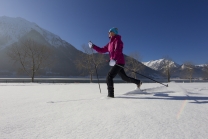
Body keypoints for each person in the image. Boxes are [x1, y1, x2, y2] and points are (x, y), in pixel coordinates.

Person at [88, 27, 142, 98]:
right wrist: (93, 46)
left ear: (114, 33)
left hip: (118, 61)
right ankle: (138, 82)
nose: (108, 33)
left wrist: (114, 59)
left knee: (109, 76)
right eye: (108, 32)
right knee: (124, 78)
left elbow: (118, 51)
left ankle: (110, 96)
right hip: (115, 62)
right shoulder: (109, 43)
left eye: (110, 32)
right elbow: (101, 50)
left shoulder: (118, 40)